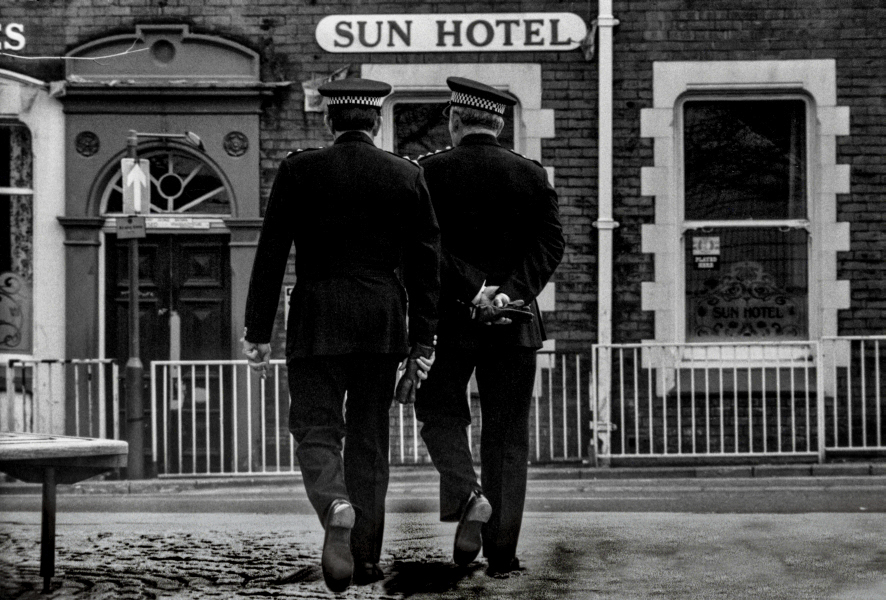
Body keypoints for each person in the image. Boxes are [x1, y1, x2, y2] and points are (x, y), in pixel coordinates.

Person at [241, 77, 441, 593]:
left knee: (314, 427)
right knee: (370, 440)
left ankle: (334, 503)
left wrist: (257, 330)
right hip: (381, 320)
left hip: (316, 315)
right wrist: (424, 341)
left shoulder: (299, 169)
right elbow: (425, 267)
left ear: (330, 121)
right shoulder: (406, 175)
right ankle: (367, 559)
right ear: (375, 122)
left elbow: (271, 253)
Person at [414, 76, 565, 577]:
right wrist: (509, 294)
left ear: (456, 121)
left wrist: (473, 289)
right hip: (514, 324)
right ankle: (502, 553)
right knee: (506, 436)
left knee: (439, 409)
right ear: (499, 126)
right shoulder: (532, 175)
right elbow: (551, 246)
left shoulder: (428, 173)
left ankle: (467, 494)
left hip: (452, 320)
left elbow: (426, 248)